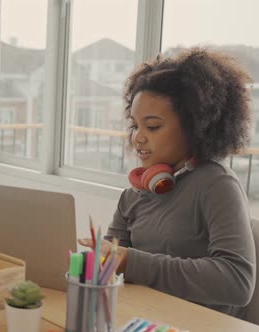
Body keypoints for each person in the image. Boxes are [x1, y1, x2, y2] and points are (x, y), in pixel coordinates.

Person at [78, 48, 256, 317]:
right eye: (135, 126)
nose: (137, 138)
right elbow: (109, 265)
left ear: (194, 126)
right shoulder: (134, 194)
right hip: (144, 316)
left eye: (152, 127)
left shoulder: (217, 185)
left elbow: (237, 281)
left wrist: (131, 261)